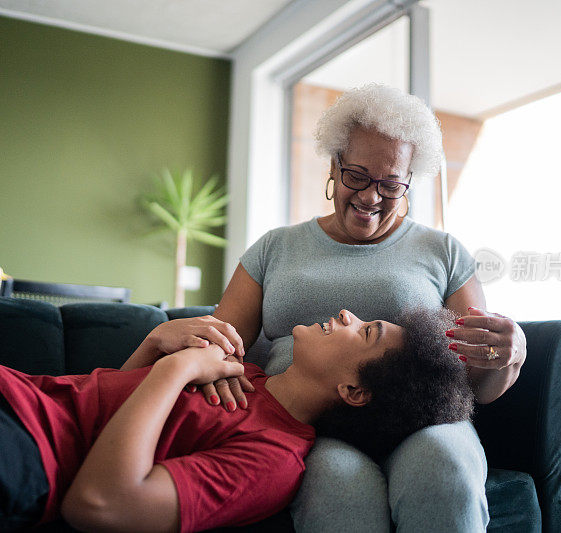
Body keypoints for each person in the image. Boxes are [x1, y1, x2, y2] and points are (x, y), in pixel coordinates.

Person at [200, 84, 529, 532]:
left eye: (391, 183)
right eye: (357, 175)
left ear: (409, 179)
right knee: (339, 486)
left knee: (443, 466)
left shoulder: (444, 252)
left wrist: (508, 355)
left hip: (422, 424)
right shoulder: (275, 248)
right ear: (334, 164)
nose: (371, 197)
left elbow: (481, 387)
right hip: (313, 423)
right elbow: (218, 346)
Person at [0, 308, 471, 533]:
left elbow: (100, 502)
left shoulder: (274, 462)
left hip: (10, 448)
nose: (348, 313)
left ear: (353, 390)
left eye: (364, 331)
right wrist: (152, 350)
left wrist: (176, 369)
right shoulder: (242, 374)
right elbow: (109, 418)